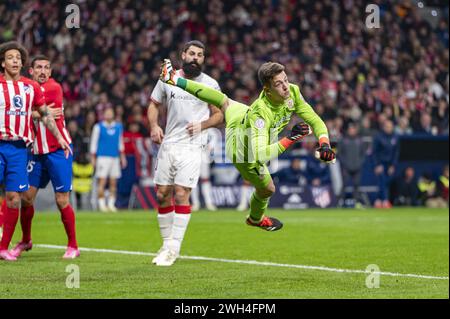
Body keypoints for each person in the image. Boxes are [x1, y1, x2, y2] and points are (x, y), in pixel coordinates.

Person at [159, 59, 335, 232]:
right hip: (242, 150)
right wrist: (291, 138)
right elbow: (260, 156)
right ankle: (255, 219)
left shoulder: (293, 93)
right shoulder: (261, 113)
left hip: (241, 115)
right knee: (267, 189)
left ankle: (174, 79)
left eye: (286, 80)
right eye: (279, 84)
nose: (286, 87)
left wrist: (325, 144)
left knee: (223, 100)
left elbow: (315, 120)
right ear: (267, 89)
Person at [148, 41, 223, 266]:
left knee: (181, 193)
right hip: (169, 143)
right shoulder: (168, 79)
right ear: (183, 55)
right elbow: (153, 104)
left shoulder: (210, 84)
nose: (195, 58)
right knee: (162, 194)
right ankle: (166, 244)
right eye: (192, 53)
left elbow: (219, 114)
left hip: (193, 146)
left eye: (200, 55)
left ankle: (173, 248)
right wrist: (154, 126)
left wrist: (204, 125)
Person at [0, 41, 71, 261]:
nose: (15, 61)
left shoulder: (30, 87)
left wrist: (60, 138)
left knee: (14, 197)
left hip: (21, 149)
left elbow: (46, 114)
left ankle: (3, 248)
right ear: (3, 62)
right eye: (10, 57)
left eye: (18, 58)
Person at [89, 107, 127, 212]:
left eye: (111, 112)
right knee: (102, 181)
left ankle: (111, 204)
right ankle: (101, 204)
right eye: (107, 113)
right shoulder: (98, 127)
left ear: (113, 114)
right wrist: (93, 158)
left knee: (113, 182)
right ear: (104, 114)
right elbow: (94, 143)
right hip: (102, 157)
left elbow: (120, 142)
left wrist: (122, 157)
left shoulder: (119, 126)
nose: (109, 114)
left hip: (114, 158)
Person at [338, 123, 367, 207]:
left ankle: (357, 202)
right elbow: (340, 154)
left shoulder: (359, 140)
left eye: (353, 129)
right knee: (344, 185)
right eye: (350, 129)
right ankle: (341, 202)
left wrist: (360, 163)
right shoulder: (343, 140)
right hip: (346, 167)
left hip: (357, 167)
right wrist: (345, 164)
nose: (352, 131)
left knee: (357, 185)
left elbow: (363, 154)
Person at [372, 120, 399, 209]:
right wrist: (377, 165)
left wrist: (393, 165)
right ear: (384, 127)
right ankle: (385, 200)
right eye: (387, 126)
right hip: (381, 164)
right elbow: (375, 152)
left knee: (386, 183)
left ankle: (378, 200)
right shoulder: (378, 137)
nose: (389, 128)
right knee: (382, 182)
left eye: (390, 127)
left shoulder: (395, 137)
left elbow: (396, 153)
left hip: (390, 164)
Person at [191, 128, 218, 212]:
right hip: (192, 154)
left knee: (205, 179)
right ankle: (195, 203)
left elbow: (214, 135)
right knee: (192, 180)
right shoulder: (191, 123)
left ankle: (209, 203)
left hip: (203, 155)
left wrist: (211, 145)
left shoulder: (206, 124)